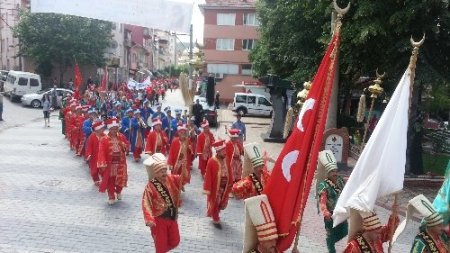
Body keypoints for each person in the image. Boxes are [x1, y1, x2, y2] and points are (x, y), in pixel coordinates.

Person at [142, 153, 182, 253]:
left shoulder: (170, 179)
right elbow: (146, 203)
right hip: (159, 221)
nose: (164, 173)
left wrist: (184, 167)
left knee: (175, 241)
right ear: (156, 173)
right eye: (161, 171)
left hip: (172, 217)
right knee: (160, 247)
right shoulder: (150, 186)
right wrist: (149, 219)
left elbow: (182, 179)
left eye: (165, 170)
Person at [316, 150, 348, 253]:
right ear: (327, 173)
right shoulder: (324, 185)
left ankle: (330, 241)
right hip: (330, 215)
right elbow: (322, 201)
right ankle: (331, 246)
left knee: (345, 231)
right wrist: (326, 212)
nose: (334, 173)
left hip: (341, 212)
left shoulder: (340, 180)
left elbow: (349, 181)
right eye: (332, 171)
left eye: (335, 171)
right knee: (331, 235)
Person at [97, 118, 130, 205]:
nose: (114, 130)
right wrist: (102, 162)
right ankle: (111, 196)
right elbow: (101, 151)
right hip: (110, 164)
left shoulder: (122, 137)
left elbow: (127, 146)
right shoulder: (104, 139)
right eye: (112, 129)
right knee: (110, 181)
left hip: (120, 163)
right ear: (109, 129)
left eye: (116, 128)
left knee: (120, 180)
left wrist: (123, 145)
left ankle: (118, 191)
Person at [203, 140, 233, 229]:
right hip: (215, 187)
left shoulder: (226, 159)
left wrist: (231, 182)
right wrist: (207, 189)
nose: (225, 152)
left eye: (225, 150)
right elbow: (208, 176)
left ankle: (216, 214)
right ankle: (215, 219)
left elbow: (229, 170)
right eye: (222, 151)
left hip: (225, 186)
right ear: (218, 151)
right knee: (215, 202)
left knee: (221, 202)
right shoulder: (211, 161)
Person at [85, 120, 105, 186]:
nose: (103, 130)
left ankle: (104, 179)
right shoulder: (92, 137)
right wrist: (89, 154)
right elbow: (89, 146)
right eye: (102, 128)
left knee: (103, 168)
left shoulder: (104, 136)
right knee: (94, 170)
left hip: (102, 156)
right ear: (97, 129)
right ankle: (96, 180)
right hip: (94, 156)